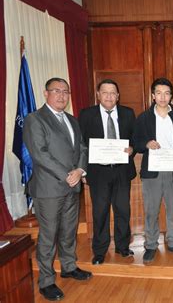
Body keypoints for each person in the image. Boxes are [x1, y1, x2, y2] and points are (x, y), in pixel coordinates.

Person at [23, 77, 91, 301]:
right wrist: (66, 174)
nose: (62, 96)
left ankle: (69, 266)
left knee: (69, 231)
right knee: (48, 235)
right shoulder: (35, 119)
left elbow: (82, 148)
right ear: (46, 94)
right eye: (56, 91)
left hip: (72, 187)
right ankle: (46, 280)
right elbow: (40, 154)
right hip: (49, 189)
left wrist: (80, 170)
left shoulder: (72, 120)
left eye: (65, 92)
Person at [79, 79, 136, 265]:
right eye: (105, 92)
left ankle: (122, 246)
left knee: (123, 210)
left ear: (118, 96)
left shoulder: (128, 113)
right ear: (98, 95)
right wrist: (83, 170)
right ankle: (100, 250)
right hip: (98, 172)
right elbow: (81, 145)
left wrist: (132, 149)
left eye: (113, 93)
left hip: (121, 170)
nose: (109, 96)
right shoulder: (87, 115)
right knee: (100, 212)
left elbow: (134, 139)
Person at [133, 77, 173, 263]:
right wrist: (146, 143)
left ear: (171, 96)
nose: (162, 97)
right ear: (153, 95)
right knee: (151, 210)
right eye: (158, 93)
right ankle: (150, 244)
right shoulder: (144, 117)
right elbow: (135, 142)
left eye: (166, 93)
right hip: (153, 172)